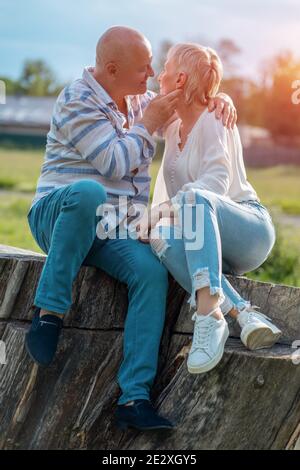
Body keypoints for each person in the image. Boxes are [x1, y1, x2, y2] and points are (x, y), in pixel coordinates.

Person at [25, 27, 236, 431]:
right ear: (112, 68)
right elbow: (113, 164)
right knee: (87, 192)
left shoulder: (141, 100)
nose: (151, 74)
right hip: (59, 216)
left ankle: (133, 399)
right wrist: (148, 124)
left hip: (110, 227)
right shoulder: (76, 99)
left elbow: (194, 101)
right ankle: (49, 310)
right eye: (143, 69)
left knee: (150, 272)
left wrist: (220, 99)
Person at [137, 43, 282, 375]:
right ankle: (243, 314)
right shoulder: (172, 126)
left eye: (166, 69)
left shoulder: (215, 118)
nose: (159, 75)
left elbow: (215, 183)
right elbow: (139, 111)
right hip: (206, 239)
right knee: (161, 239)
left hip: (247, 228)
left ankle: (207, 316)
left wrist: (159, 211)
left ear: (181, 78)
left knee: (195, 199)